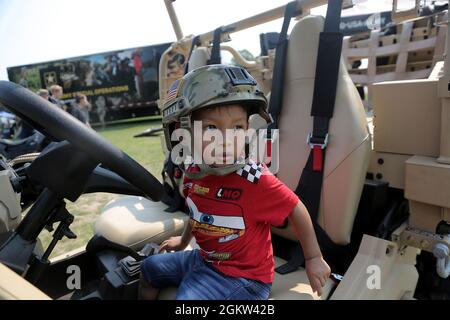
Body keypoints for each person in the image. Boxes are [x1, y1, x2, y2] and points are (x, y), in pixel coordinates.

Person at [139, 65, 331, 300]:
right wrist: (182, 241)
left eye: (237, 128)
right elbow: (197, 212)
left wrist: (313, 258)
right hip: (204, 259)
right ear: (182, 131)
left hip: (245, 278)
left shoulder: (255, 179)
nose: (226, 140)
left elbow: (295, 207)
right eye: (211, 128)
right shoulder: (193, 171)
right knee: (148, 268)